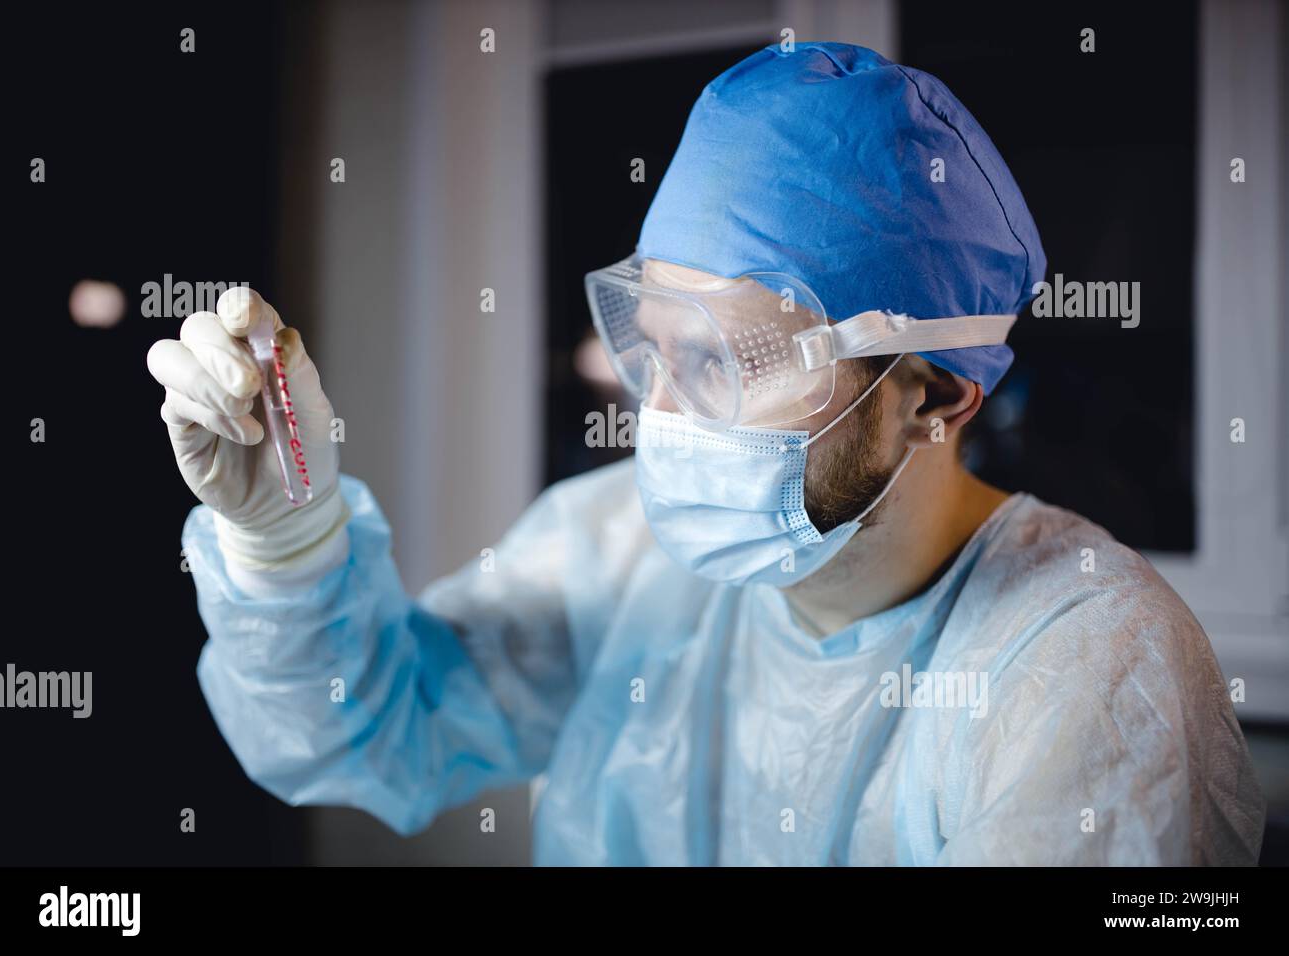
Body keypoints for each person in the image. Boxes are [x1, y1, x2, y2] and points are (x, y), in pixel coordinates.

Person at [147, 42, 1265, 865]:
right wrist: (282, 538)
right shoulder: (614, 552)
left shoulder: (1093, 665)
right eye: (654, 351)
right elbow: (368, 731)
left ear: (932, 394)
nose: (663, 415)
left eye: (729, 360)